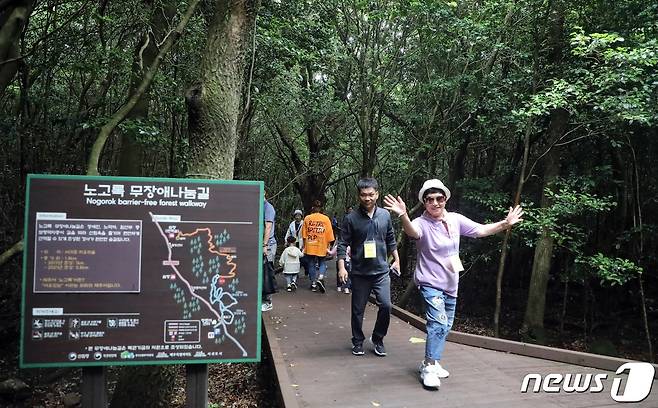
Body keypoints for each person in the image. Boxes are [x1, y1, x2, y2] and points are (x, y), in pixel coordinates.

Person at [383, 179, 523, 389]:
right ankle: (429, 367)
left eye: (439, 198)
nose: (435, 203)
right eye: (429, 199)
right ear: (424, 203)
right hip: (429, 283)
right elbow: (412, 232)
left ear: (445, 199)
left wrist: (505, 224)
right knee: (438, 323)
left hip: (451, 284)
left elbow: (480, 230)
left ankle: (432, 361)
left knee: (446, 326)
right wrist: (403, 215)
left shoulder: (455, 220)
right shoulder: (422, 223)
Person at [337, 177, 400, 357]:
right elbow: (342, 244)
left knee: (386, 305)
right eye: (364, 195)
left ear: (377, 194)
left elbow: (390, 238)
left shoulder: (385, 215)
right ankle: (357, 341)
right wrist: (342, 267)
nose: (367, 198)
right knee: (358, 310)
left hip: (381, 271)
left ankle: (378, 338)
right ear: (359, 196)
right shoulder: (351, 218)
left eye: (371, 194)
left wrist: (397, 259)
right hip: (360, 272)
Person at [302, 200, 335, 293]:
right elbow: (330, 234)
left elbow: (304, 235)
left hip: (310, 244)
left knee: (311, 263)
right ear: (321, 208)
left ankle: (313, 283)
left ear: (312, 207)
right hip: (322, 244)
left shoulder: (307, 218)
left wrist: (304, 246)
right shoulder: (325, 219)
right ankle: (320, 277)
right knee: (322, 262)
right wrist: (329, 246)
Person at [262, 196, 277, 312]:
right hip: (262, 244)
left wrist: (265, 245)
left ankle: (268, 301)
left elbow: (268, 226)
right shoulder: (259, 206)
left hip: (269, 245)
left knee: (267, 271)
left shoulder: (268, 208)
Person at [285, 209, 308, 276]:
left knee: (303, 258)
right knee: (295, 257)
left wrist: (306, 243)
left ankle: (306, 269)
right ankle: (296, 272)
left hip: (302, 242)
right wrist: (286, 241)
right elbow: (288, 232)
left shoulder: (304, 223)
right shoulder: (292, 224)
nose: (297, 217)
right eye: (296, 215)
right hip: (293, 242)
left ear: (301, 216)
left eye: (299, 215)